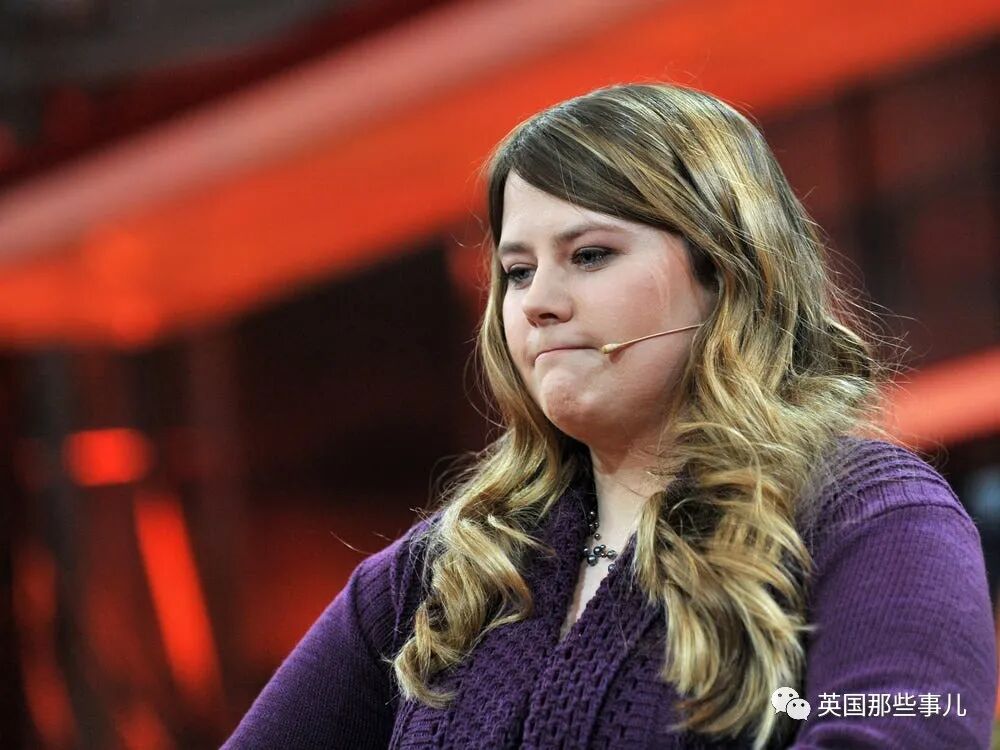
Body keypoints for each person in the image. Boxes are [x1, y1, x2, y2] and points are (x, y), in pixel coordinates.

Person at [222, 83, 997, 749]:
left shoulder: (866, 512)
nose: (537, 303)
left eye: (589, 255)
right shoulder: (439, 576)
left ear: (724, 271)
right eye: (517, 271)